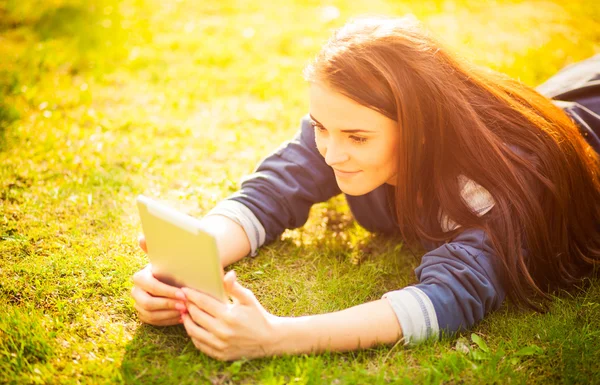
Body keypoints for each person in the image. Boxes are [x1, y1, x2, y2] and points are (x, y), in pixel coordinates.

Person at [130, 16, 600, 361]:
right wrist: (195, 257)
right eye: (321, 128)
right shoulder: (344, 122)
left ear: (420, 129)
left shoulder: (496, 184)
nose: (331, 153)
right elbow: (272, 191)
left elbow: (449, 298)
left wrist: (276, 336)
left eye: (357, 138)